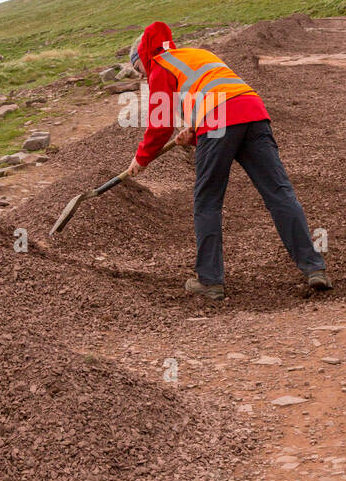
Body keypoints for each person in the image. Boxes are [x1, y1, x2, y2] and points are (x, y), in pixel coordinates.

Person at [125, 21, 331, 301]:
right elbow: (221, 100)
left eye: (139, 70)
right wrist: (196, 132)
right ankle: (314, 268)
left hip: (219, 119)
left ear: (143, 56)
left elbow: (160, 125)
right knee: (279, 193)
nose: (141, 77)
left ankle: (210, 281)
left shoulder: (160, 63)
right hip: (253, 113)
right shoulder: (196, 55)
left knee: (207, 202)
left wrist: (141, 159)